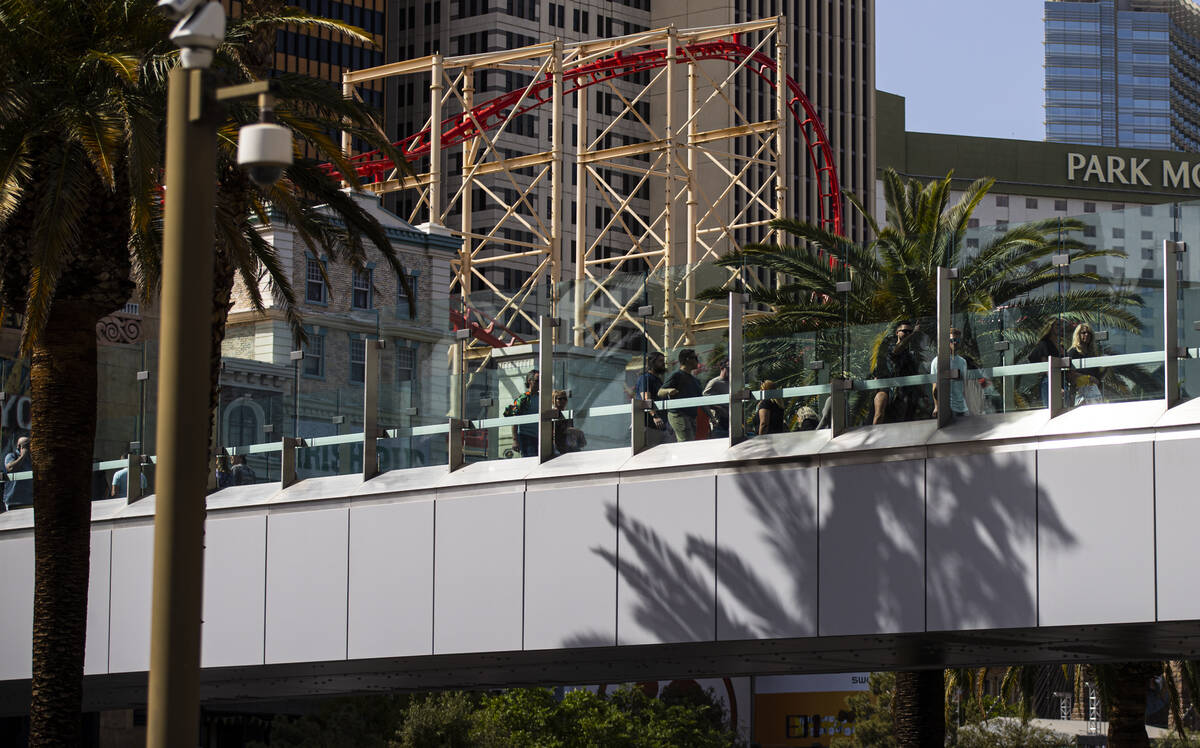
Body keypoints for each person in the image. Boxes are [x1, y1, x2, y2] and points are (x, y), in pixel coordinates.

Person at [872, 320, 922, 424]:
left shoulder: (910, 355)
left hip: (903, 391)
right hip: (886, 387)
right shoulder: (890, 345)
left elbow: (914, 374)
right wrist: (913, 334)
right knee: (879, 415)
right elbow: (896, 351)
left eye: (910, 331)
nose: (907, 333)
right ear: (897, 332)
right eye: (904, 331)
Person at [658, 348, 703, 442]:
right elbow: (660, 392)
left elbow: (701, 400)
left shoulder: (695, 380)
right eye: (695, 358)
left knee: (690, 443)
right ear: (687, 359)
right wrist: (669, 390)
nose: (697, 361)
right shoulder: (677, 375)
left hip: (692, 417)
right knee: (685, 443)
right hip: (679, 415)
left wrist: (711, 417)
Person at [931, 327, 970, 420]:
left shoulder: (963, 361)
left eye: (957, 340)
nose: (954, 342)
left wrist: (968, 405)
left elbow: (964, 385)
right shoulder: (938, 361)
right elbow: (935, 386)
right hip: (948, 408)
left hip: (963, 407)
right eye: (951, 340)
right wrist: (937, 406)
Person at [634, 351, 671, 446]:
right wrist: (655, 416)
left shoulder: (657, 380)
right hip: (649, 425)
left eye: (664, 361)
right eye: (660, 361)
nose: (663, 363)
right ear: (652, 363)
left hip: (660, 426)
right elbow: (646, 399)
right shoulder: (645, 378)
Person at [1027, 319, 1066, 407]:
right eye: (1057, 325)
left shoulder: (1061, 346)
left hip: (1062, 380)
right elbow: (1047, 367)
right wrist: (1056, 386)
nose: (1060, 328)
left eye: (1062, 325)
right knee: (1051, 409)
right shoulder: (1044, 344)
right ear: (1051, 327)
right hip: (1050, 381)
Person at [504, 369, 540, 458]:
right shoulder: (523, 399)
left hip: (540, 436)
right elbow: (514, 419)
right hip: (526, 437)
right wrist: (515, 440)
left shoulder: (541, 397)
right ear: (529, 381)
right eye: (537, 381)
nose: (540, 383)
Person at [1067, 323, 1104, 406]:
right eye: (1083, 333)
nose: (1087, 335)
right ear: (1078, 335)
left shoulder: (1092, 353)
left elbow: (1097, 374)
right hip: (1079, 392)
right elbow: (1070, 373)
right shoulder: (1073, 352)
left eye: (1089, 333)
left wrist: (1096, 381)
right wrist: (1089, 378)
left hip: (1094, 391)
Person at [549, 389, 587, 455]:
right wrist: (576, 431)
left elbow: (569, 430)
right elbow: (555, 432)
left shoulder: (567, 414)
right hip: (558, 446)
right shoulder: (553, 413)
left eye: (565, 398)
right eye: (560, 399)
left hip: (568, 444)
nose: (563, 401)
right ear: (553, 400)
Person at [702, 359, 730, 438]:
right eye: (728, 368)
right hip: (720, 421)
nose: (731, 371)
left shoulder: (732, 382)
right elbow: (704, 400)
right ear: (722, 367)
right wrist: (718, 408)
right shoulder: (714, 383)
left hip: (731, 419)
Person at [3, 435, 31, 510]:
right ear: (19, 446)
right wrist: (22, 456)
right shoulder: (11, 456)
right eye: (26, 445)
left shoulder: (31, 459)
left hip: (29, 500)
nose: (29, 448)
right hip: (14, 501)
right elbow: (10, 468)